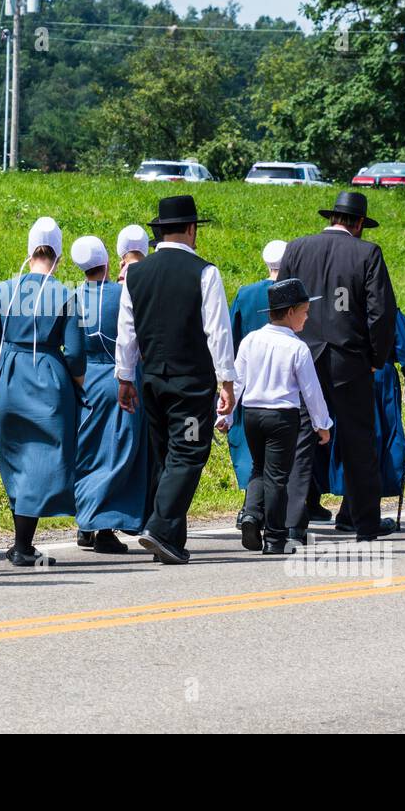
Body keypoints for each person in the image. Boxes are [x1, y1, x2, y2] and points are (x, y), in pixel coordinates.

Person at [116, 195, 237, 565]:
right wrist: (227, 381)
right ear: (191, 229)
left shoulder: (136, 274)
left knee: (165, 455)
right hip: (190, 381)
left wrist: (125, 376)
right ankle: (160, 529)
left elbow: (127, 331)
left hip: (151, 378)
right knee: (188, 453)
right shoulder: (205, 272)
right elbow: (217, 330)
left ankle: (171, 540)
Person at [279, 190, 397, 542]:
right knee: (359, 442)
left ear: (331, 218)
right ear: (359, 224)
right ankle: (364, 523)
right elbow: (380, 313)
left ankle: (293, 523)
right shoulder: (367, 253)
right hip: (349, 360)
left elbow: (281, 301)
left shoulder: (297, 248)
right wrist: (376, 359)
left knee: (301, 440)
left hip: (303, 356)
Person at [0, 216, 84, 566]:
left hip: (8, 378)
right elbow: (76, 354)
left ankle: (21, 543)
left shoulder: (3, 289)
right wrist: (78, 386)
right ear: (58, 255)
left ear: (29, 249)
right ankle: (23, 545)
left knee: (16, 457)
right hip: (48, 382)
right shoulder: (65, 294)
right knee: (42, 460)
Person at [217, 278, 332, 554]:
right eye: (304, 311)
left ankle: (251, 515)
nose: (307, 317)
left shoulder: (250, 340)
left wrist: (225, 416)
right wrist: (322, 424)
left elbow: (237, 382)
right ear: (291, 312)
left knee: (259, 467)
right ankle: (275, 537)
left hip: (253, 415)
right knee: (278, 476)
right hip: (283, 417)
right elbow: (311, 392)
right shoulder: (297, 348)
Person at [71, 235, 146, 552]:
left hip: (83, 379)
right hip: (119, 378)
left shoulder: (72, 297)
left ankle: (85, 521)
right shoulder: (122, 293)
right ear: (106, 261)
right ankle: (103, 526)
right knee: (116, 452)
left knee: (86, 451)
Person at [327, 307, 405, 506]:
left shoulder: (339, 309)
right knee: (378, 439)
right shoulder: (386, 311)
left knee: (348, 437)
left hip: (341, 375)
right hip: (378, 377)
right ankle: (362, 510)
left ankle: (348, 508)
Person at [226, 239, 283, 498]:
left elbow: (232, 336)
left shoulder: (245, 293)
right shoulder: (294, 293)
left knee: (249, 442)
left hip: (249, 377)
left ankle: (250, 500)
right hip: (283, 378)